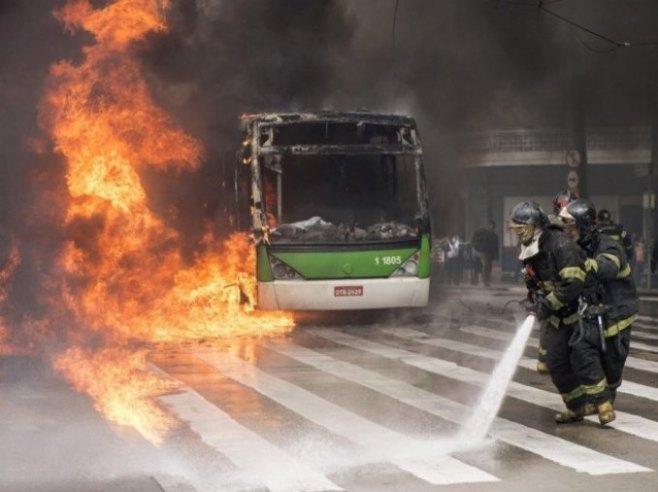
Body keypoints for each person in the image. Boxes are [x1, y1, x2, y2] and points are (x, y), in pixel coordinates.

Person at [508, 201, 590, 423]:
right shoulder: (531, 250)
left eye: (520, 229)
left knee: (585, 360)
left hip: (580, 313)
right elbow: (534, 283)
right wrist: (534, 300)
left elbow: (573, 283)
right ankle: (577, 407)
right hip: (557, 315)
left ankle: (600, 401)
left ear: (534, 226)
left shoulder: (560, 246)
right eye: (514, 230)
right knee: (555, 362)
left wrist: (547, 303)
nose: (518, 235)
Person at [560, 199, 638, 425]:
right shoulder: (573, 245)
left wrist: (583, 264)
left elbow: (608, 265)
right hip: (591, 313)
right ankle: (599, 400)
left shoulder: (608, 244)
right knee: (580, 352)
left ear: (584, 225)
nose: (567, 230)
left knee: (613, 363)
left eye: (571, 225)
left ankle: (608, 394)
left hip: (617, 312)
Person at [472, 221, 498, 286]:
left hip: (490, 252)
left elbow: (496, 246)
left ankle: (487, 280)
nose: (491, 227)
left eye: (493, 226)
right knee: (485, 265)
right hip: (483, 252)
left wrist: (496, 255)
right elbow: (476, 237)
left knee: (489, 266)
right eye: (490, 226)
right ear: (489, 226)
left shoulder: (495, 236)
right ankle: (484, 281)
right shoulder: (484, 233)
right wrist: (478, 247)